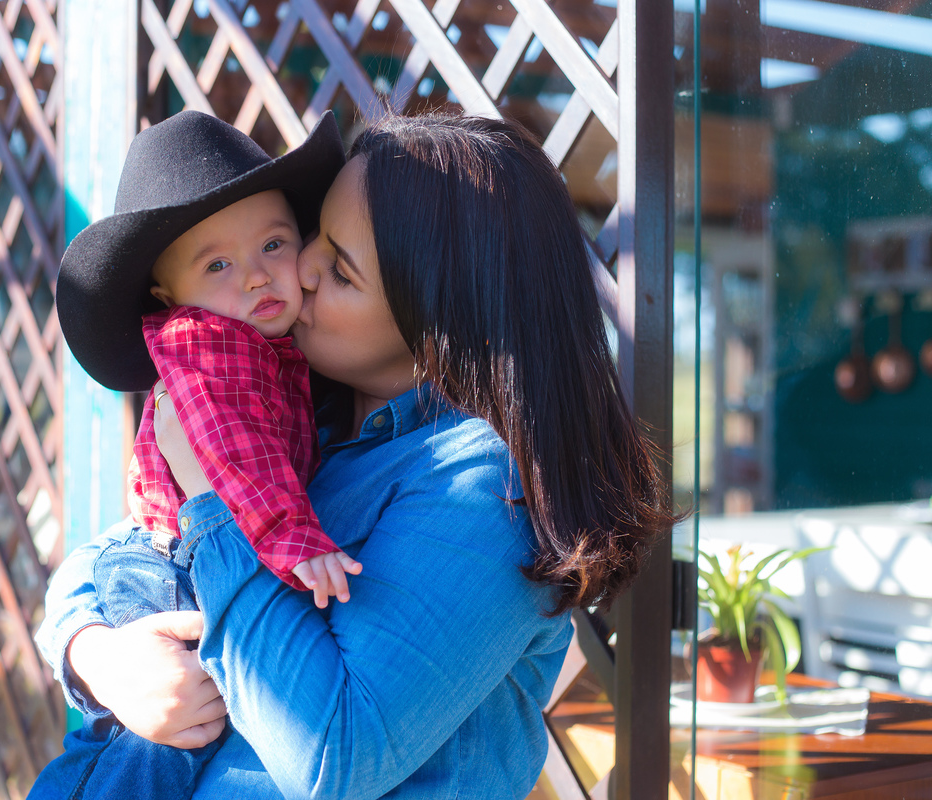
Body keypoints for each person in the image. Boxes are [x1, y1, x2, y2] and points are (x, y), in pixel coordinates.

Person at [37, 111, 679, 799]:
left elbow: (333, 754)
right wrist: (101, 658)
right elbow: (105, 560)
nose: (300, 270)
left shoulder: (485, 485)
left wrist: (211, 494)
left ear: (438, 314)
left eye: (339, 268)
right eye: (314, 236)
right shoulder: (305, 410)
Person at [36, 109, 358, 798]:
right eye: (217, 263)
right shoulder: (205, 345)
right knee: (168, 741)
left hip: (187, 555)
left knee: (148, 738)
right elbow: (232, 453)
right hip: (172, 569)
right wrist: (295, 538)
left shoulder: (279, 353)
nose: (255, 277)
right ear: (167, 296)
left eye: (274, 245)